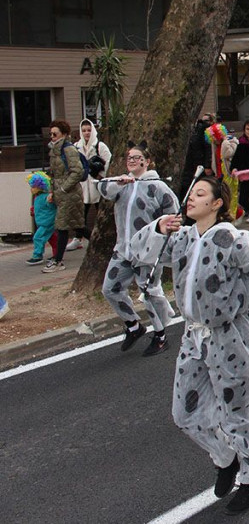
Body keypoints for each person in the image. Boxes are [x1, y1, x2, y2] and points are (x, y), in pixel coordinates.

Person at [131, 177, 249, 514]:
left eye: (201, 194)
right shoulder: (182, 238)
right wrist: (158, 227)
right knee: (184, 412)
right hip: (192, 336)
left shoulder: (232, 239)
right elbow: (137, 252)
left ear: (216, 204)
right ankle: (225, 457)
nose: (191, 199)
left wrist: (234, 302)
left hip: (229, 337)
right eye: (191, 194)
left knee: (240, 412)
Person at [97, 143, 180, 355]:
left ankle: (161, 336)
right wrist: (119, 182)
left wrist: (164, 239)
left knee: (148, 293)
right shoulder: (121, 184)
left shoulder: (158, 186)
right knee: (110, 289)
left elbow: (175, 215)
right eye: (129, 157)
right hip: (123, 250)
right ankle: (134, 326)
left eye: (137, 157)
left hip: (147, 251)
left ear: (147, 161)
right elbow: (103, 189)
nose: (132, 160)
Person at [43, 120, 85, 273]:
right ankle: (105, 246)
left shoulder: (68, 149)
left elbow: (77, 171)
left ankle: (58, 260)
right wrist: (52, 192)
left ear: (64, 134)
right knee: (77, 224)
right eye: (51, 134)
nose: (52, 137)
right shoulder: (55, 150)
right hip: (63, 193)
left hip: (70, 193)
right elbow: (54, 174)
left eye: (55, 134)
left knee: (62, 225)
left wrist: (63, 188)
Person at [68, 118, 111, 251]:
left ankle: (103, 237)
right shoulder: (76, 146)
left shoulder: (100, 146)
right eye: (84, 130)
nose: (86, 133)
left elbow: (108, 161)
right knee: (81, 213)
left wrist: (101, 175)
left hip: (96, 183)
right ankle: (78, 238)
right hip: (82, 184)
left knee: (100, 211)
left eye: (89, 130)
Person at [25, 171, 57, 266]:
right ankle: (57, 253)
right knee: (53, 239)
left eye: (33, 186)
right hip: (43, 221)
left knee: (38, 237)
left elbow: (51, 206)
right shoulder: (37, 197)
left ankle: (37, 255)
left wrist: (51, 198)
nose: (31, 189)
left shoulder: (46, 197)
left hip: (46, 222)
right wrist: (33, 210)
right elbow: (38, 207)